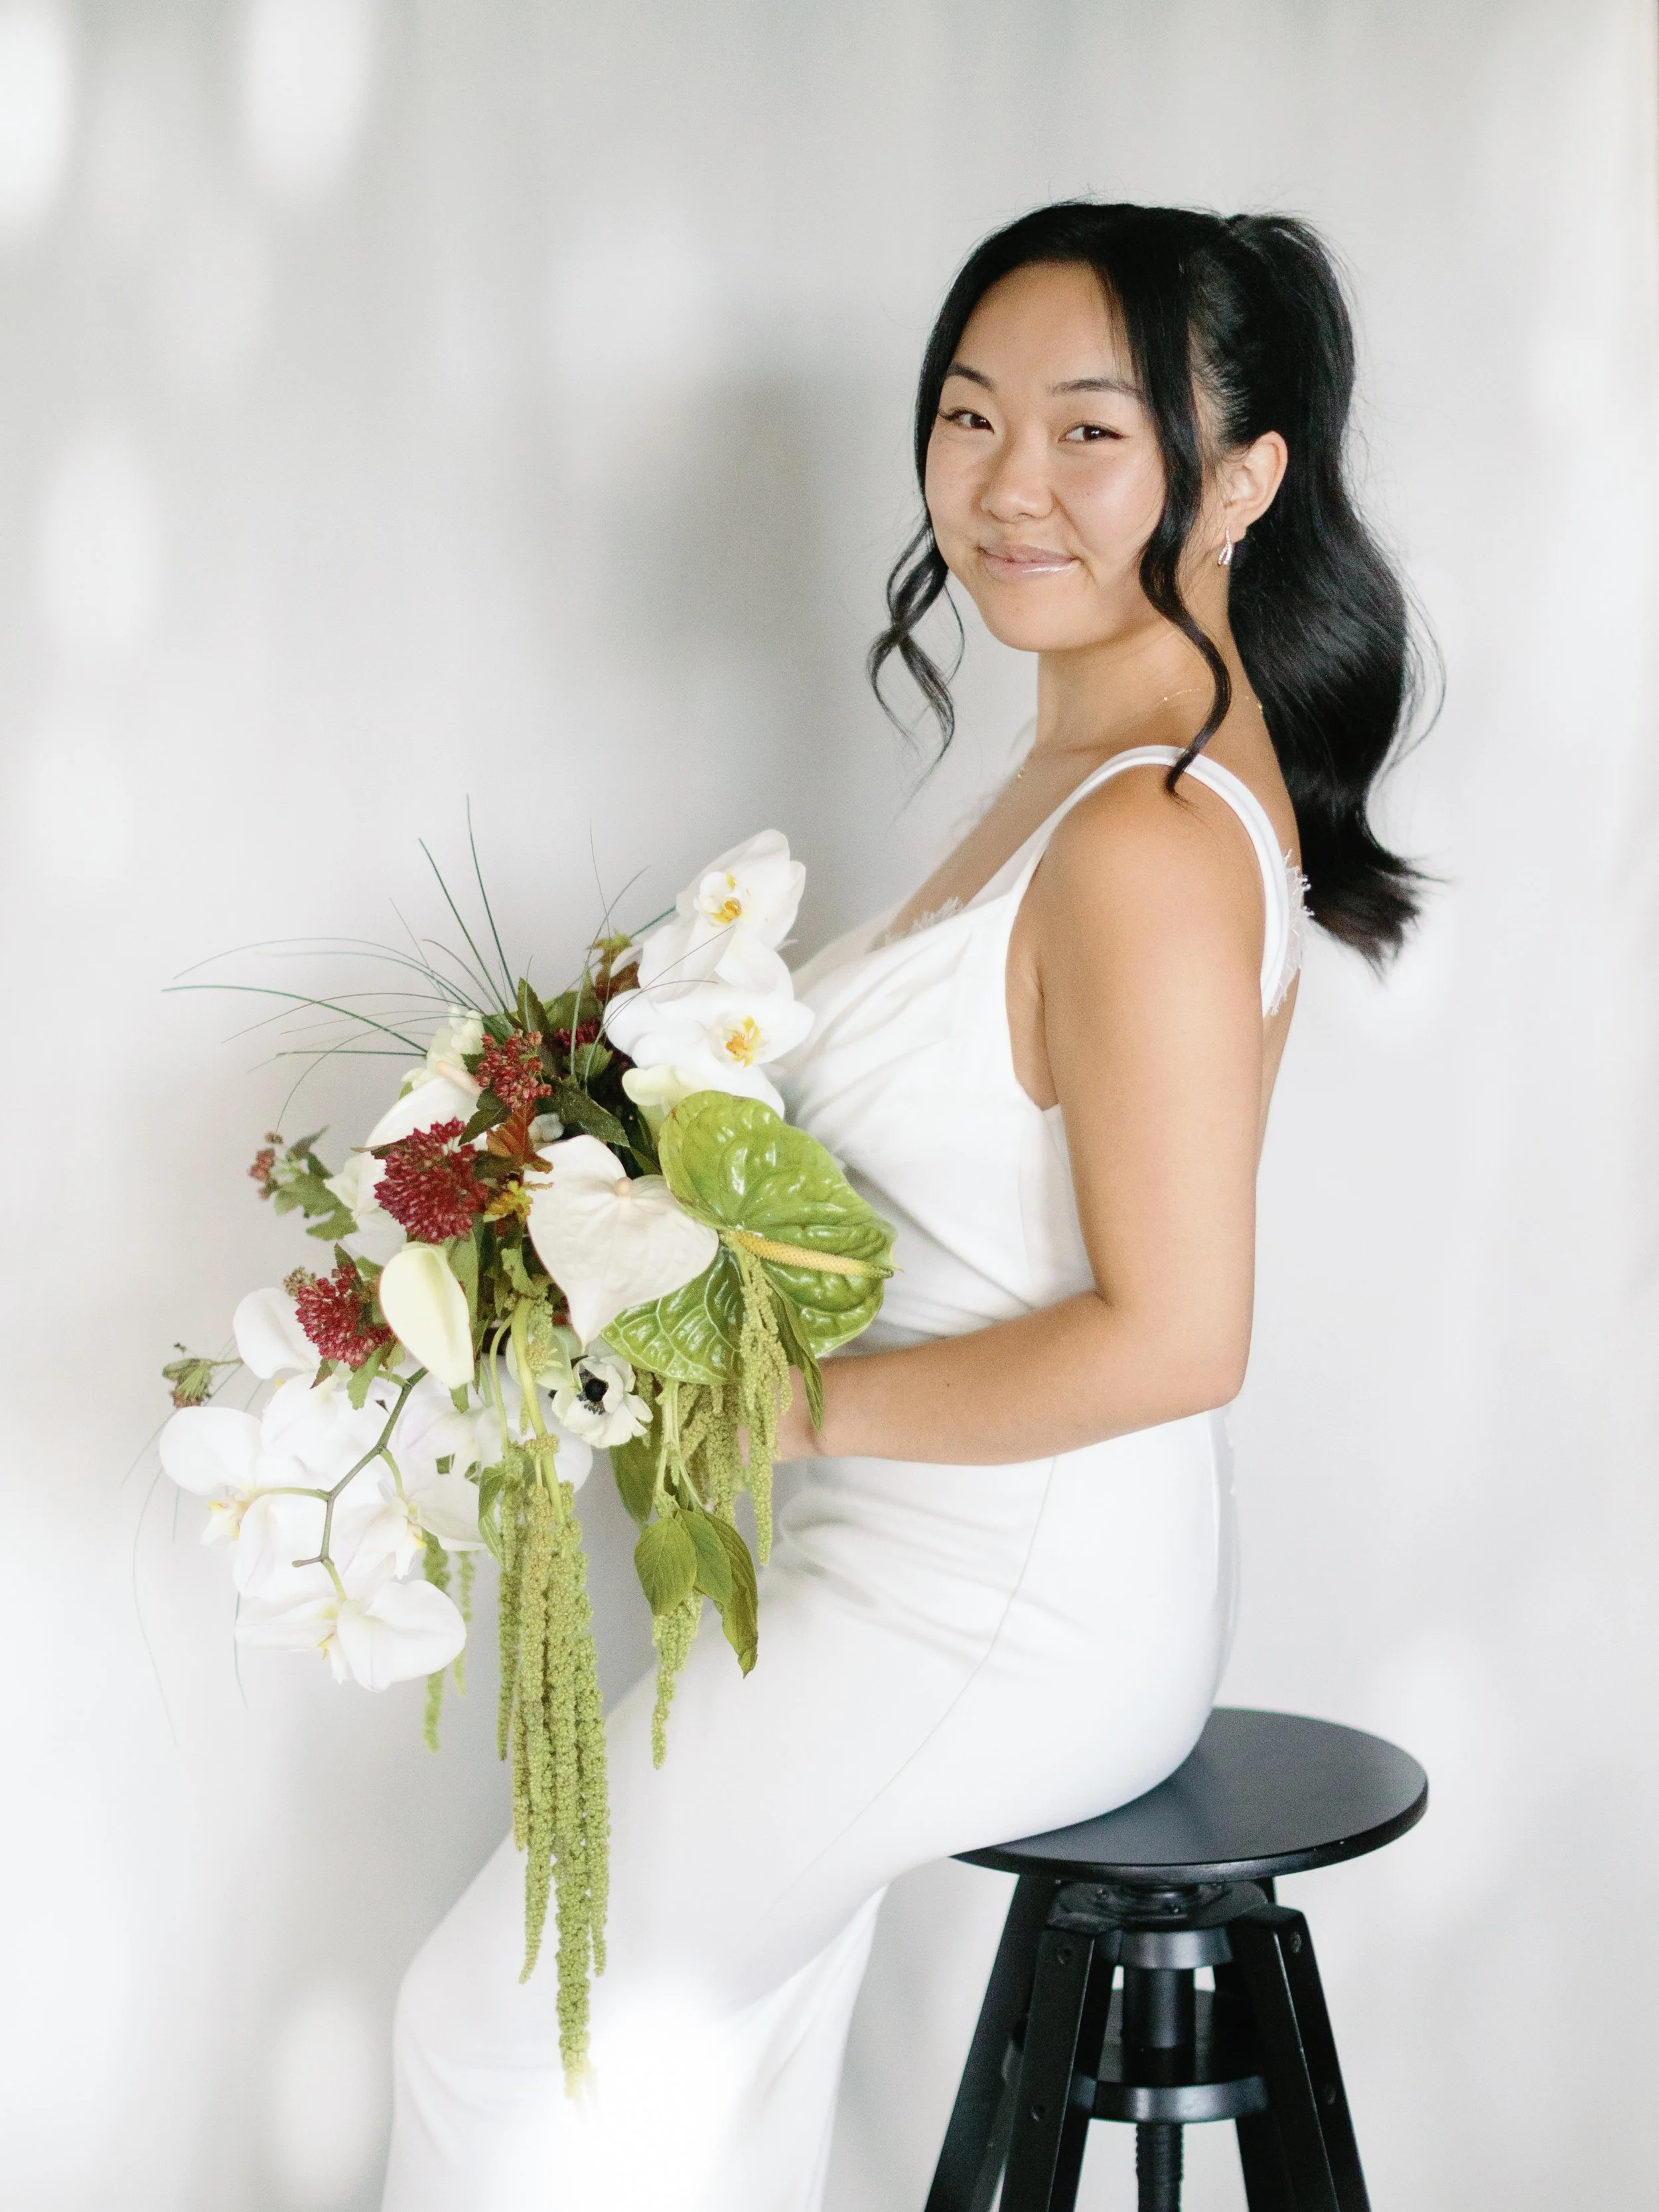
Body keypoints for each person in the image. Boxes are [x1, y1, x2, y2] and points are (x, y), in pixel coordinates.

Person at [382, 198, 1424, 2211]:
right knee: (680, 2046)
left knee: (501, 2024)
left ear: (1242, 479)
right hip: (912, 1561)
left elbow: (1176, 1330)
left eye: (1087, 432)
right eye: (965, 416)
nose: (1006, 484)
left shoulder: (1143, 832)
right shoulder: (1065, 774)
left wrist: (776, 1409)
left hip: (1007, 1599)